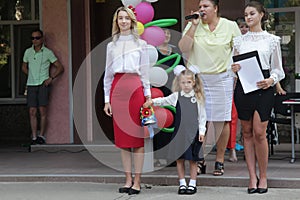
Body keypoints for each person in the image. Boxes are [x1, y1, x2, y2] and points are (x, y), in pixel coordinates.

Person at [178, 0, 241, 176]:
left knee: (222, 120)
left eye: (205, 6)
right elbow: (183, 48)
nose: (201, 9)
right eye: (200, 7)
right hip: (199, 78)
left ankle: (219, 160)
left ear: (215, 8)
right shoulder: (194, 25)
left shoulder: (230, 26)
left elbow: (239, 51)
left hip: (222, 78)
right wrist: (192, 26)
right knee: (199, 120)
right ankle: (200, 159)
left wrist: (236, 71)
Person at [231, 1, 285, 194]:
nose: (248, 17)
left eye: (252, 13)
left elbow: (278, 69)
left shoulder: (272, 40)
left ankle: (263, 176)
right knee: (246, 132)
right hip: (244, 88)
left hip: (264, 87)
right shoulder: (239, 41)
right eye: (246, 15)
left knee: (259, 133)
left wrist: (271, 80)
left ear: (261, 15)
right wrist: (234, 69)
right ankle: (252, 177)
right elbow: (232, 68)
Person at [103, 6, 151, 195]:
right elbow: (107, 75)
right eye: (120, 18)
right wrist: (106, 99)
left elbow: (145, 72)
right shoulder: (111, 45)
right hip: (117, 88)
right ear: (116, 22)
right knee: (122, 139)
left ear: (132, 21)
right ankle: (128, 179)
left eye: (126, 18)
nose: (123, 21)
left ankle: (138, 181)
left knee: (136, 138)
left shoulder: (142, 44)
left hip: (135, 87)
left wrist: (147, 96)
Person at [143, 65, 206, 195]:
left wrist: (201, 132)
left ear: (194, 82)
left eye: (189, 82)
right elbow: (163, 101)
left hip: (192, 134)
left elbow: (202, 117)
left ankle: (192, 183)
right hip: (179, 134)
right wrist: (151, 102)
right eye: (183, 82)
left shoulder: (198, 98)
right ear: (179, 83)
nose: (186, 85)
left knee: (193, 160)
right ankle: (182, 183)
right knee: (180, 159)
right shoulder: (176, 96)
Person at [22, 29, 64, 145]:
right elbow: (24, 67)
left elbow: (60, 67)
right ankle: (34, 137)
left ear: (42, 39)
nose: (35, 40)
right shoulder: (28, 52)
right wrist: (31, 75)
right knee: (32, 111)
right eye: (33, 38)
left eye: (37, 38)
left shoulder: (48, 52)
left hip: (43, 84)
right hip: (31, 84)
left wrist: (51, 78)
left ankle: (42, 136)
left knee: (42, 110)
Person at [153, 28, 184, 167]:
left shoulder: (176, 53)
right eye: (163, 33)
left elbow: (182, 72)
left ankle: (171, 156)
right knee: (158, 122)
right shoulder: (152, 52)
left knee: (172, 121)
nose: (166, 35)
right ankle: (157, 156)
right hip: (157, 91)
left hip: (173, 91)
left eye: (168, 33)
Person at [227, 17, 249, 162]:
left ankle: (247, 149)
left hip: (250, 86)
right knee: (232, 118)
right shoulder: (232, 46)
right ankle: (232, 149)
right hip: (232, 85)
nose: (243, 29)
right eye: (240, 27)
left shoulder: (252, 44)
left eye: (245, 26)